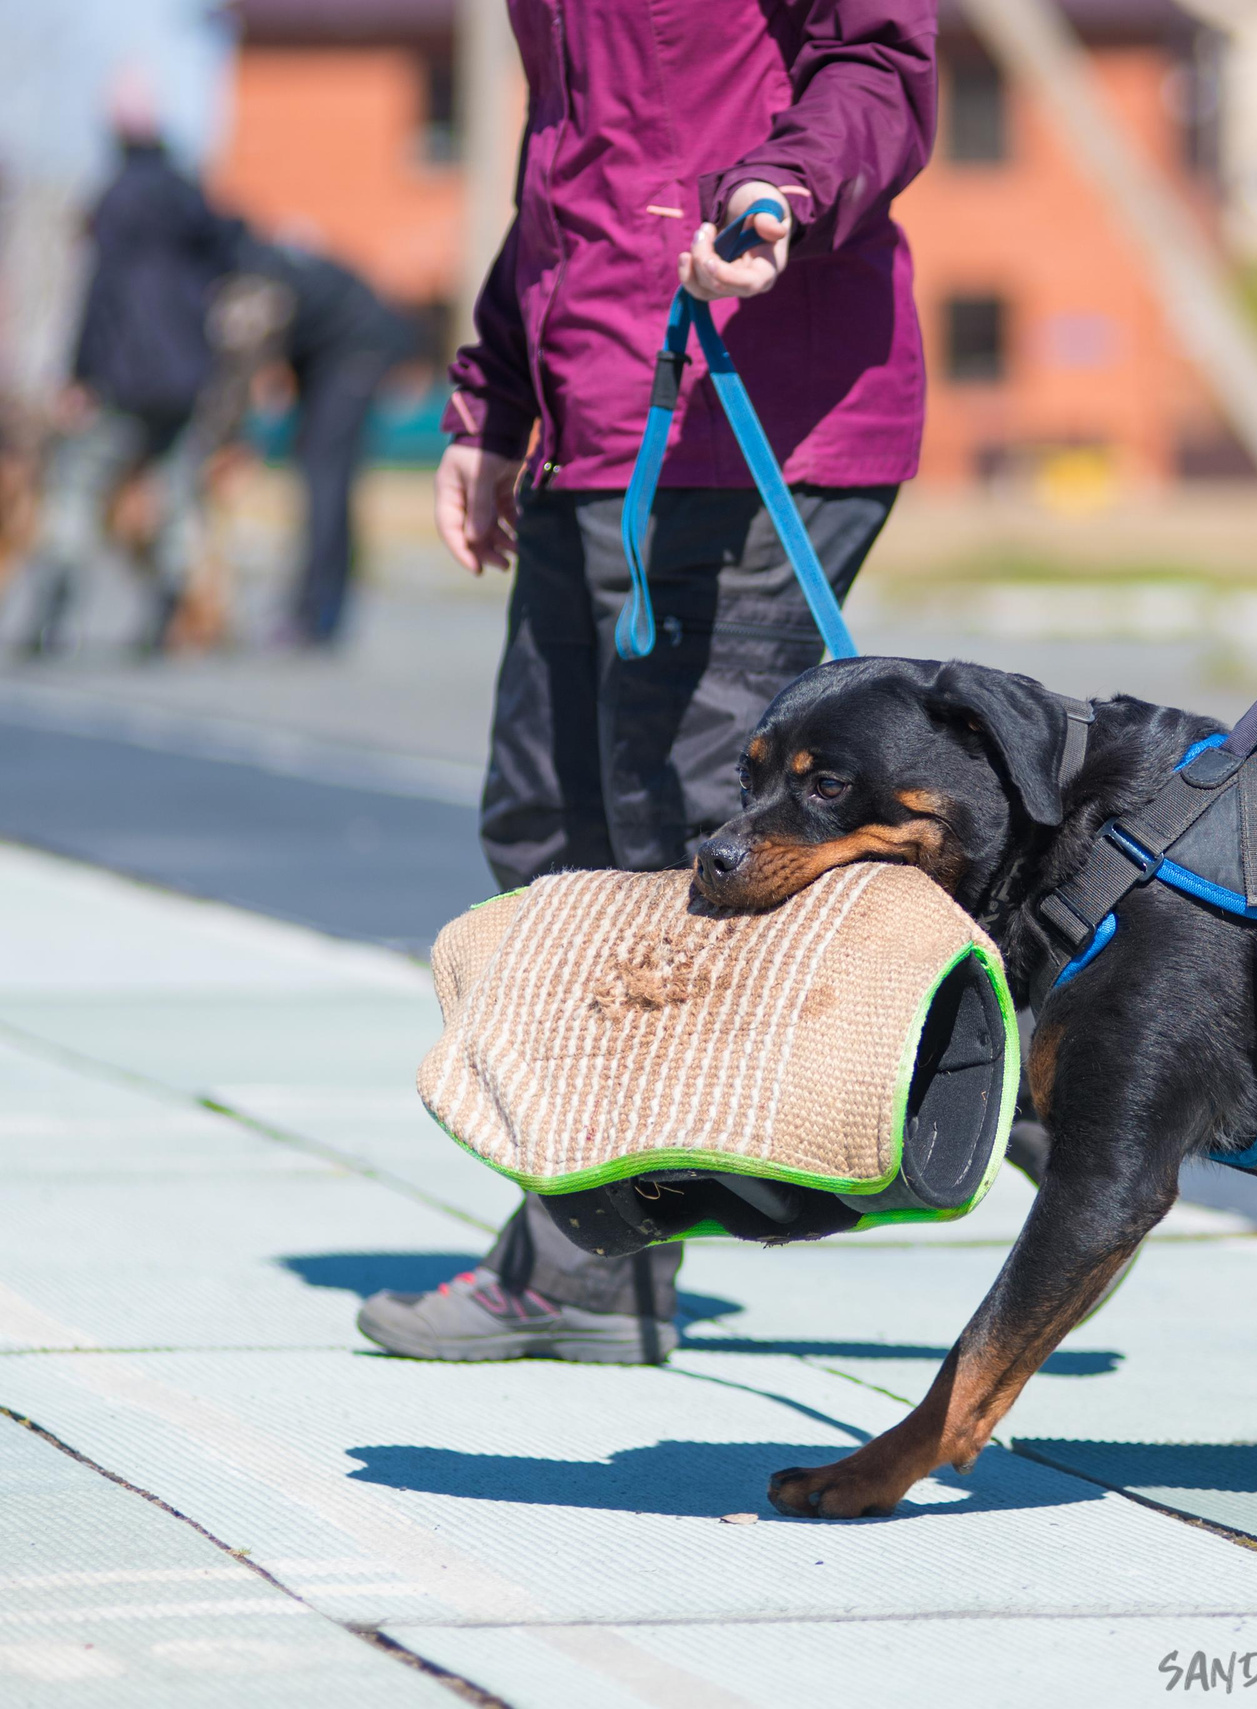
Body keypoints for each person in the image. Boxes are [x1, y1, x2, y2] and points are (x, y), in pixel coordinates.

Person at [356, 0, 938, 1365]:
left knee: (690, 848)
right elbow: (572, 159)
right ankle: (590, 1253)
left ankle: (1034, 1105)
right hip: (604, 413)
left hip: (754, 403)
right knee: (546, 828)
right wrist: (495, 398)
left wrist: (785, 186)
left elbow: (879, 60)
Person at [1, 87, 228, 657]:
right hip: (185, 376)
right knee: (175, 492)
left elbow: (100, 296)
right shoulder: (191, 199)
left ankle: (51, 615)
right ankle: (171, 610)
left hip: (124, 376)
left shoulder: (115, 200)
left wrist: (81, 372)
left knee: (77, 486)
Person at [235, 236, 417, 648]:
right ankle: (314, 606)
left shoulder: (253, 279)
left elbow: (249, 360)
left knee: (326, 477)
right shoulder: (260, 263)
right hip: (325, 354)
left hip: (356, 347)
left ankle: (320, 613)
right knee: (316, 469)